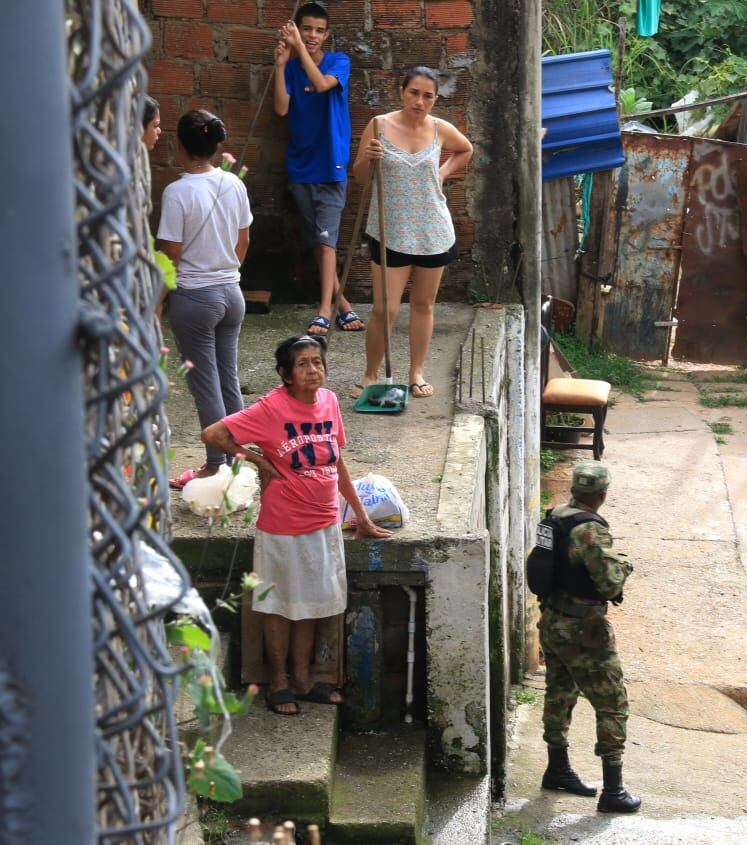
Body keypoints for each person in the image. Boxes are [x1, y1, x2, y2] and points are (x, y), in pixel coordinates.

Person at [201, 335, 392, 716]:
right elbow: (213, 434)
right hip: (282, 526)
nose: (313, 370)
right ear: (284, 374)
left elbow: (337, 462)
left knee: (312, 604)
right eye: (303, 364)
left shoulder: (330, 401)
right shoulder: (271, 408)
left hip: (323, 524)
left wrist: (360, 515)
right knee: (278, 606)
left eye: (317, 362)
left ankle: (303, 679)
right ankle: (278, 681)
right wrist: (257, 459)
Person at [349, 66, 473, 400]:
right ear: (401, 91)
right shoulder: (378, 125)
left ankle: (416, 371)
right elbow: (360, 177)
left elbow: (466, 149)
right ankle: (371, 373)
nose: (420, 101)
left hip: (433, 230)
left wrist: (443, 174)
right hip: (390, 230)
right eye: (414, 93)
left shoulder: (440, 129)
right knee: (383, 309)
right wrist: (368, 159)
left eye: (428, 95)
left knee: (423, 305)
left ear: (435, 99)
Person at [538, 461, 641, 814]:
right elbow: (609, 582)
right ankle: (614, 792)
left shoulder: (554, 517)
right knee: (612, 701)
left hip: (552, 621)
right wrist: (624, 564)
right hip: (584, 629)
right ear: (602, 494)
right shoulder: (590, 530)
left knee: (559, 693)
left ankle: (557, 769)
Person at [157, 109, 253, 488]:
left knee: (205, 384)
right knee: (227, 376)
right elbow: (243, 240)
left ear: (179, 146)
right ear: (216, 145)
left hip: (195, 298)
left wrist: (158, 298)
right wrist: (228, 271)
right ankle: (238, 458)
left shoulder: (177, 192)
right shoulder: (234, 184)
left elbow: (171, 253)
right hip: (232, 293)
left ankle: (216, 465)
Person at [272, 2, 364, 336]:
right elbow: (281, 109)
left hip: (330, 164)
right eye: (306, 29)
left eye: (318, 30)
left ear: (326, 34)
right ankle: (343, 304)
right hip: (300, 165)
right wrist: (282, 65)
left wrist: (298, 49)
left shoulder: (340, 62)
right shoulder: (294, 68)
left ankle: (324, 309)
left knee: (326, 241)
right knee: (318, 240)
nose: (312, 36)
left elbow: (323, 85)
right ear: (296, 28)